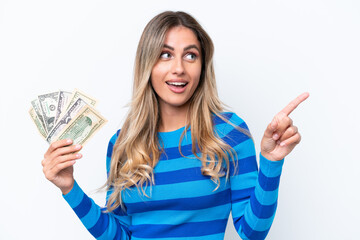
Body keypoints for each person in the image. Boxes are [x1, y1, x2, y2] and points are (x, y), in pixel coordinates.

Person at [41, 11, 309, 240]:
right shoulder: (122, 144)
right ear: (148, 65)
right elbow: (120, 235)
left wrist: (271, 162)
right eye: (165, 55)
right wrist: (69, 188)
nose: (179, 68)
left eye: (190, 56)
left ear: (202, 67)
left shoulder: (230, 133)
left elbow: (252, 232)